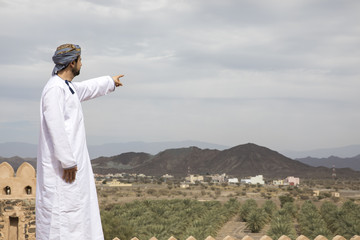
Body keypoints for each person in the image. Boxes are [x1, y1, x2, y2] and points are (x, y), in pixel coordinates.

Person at [36, 43, 124, 240]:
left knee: (76, 217)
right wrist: (67, 161)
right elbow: (55, 125)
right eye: (80, 61)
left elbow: (86, 88)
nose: (82, 65)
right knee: (63, 219)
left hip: (71, 168)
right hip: (63, 170)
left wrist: (110, 81)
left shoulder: (67, 88)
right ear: (72, 63)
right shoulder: (54, 90)